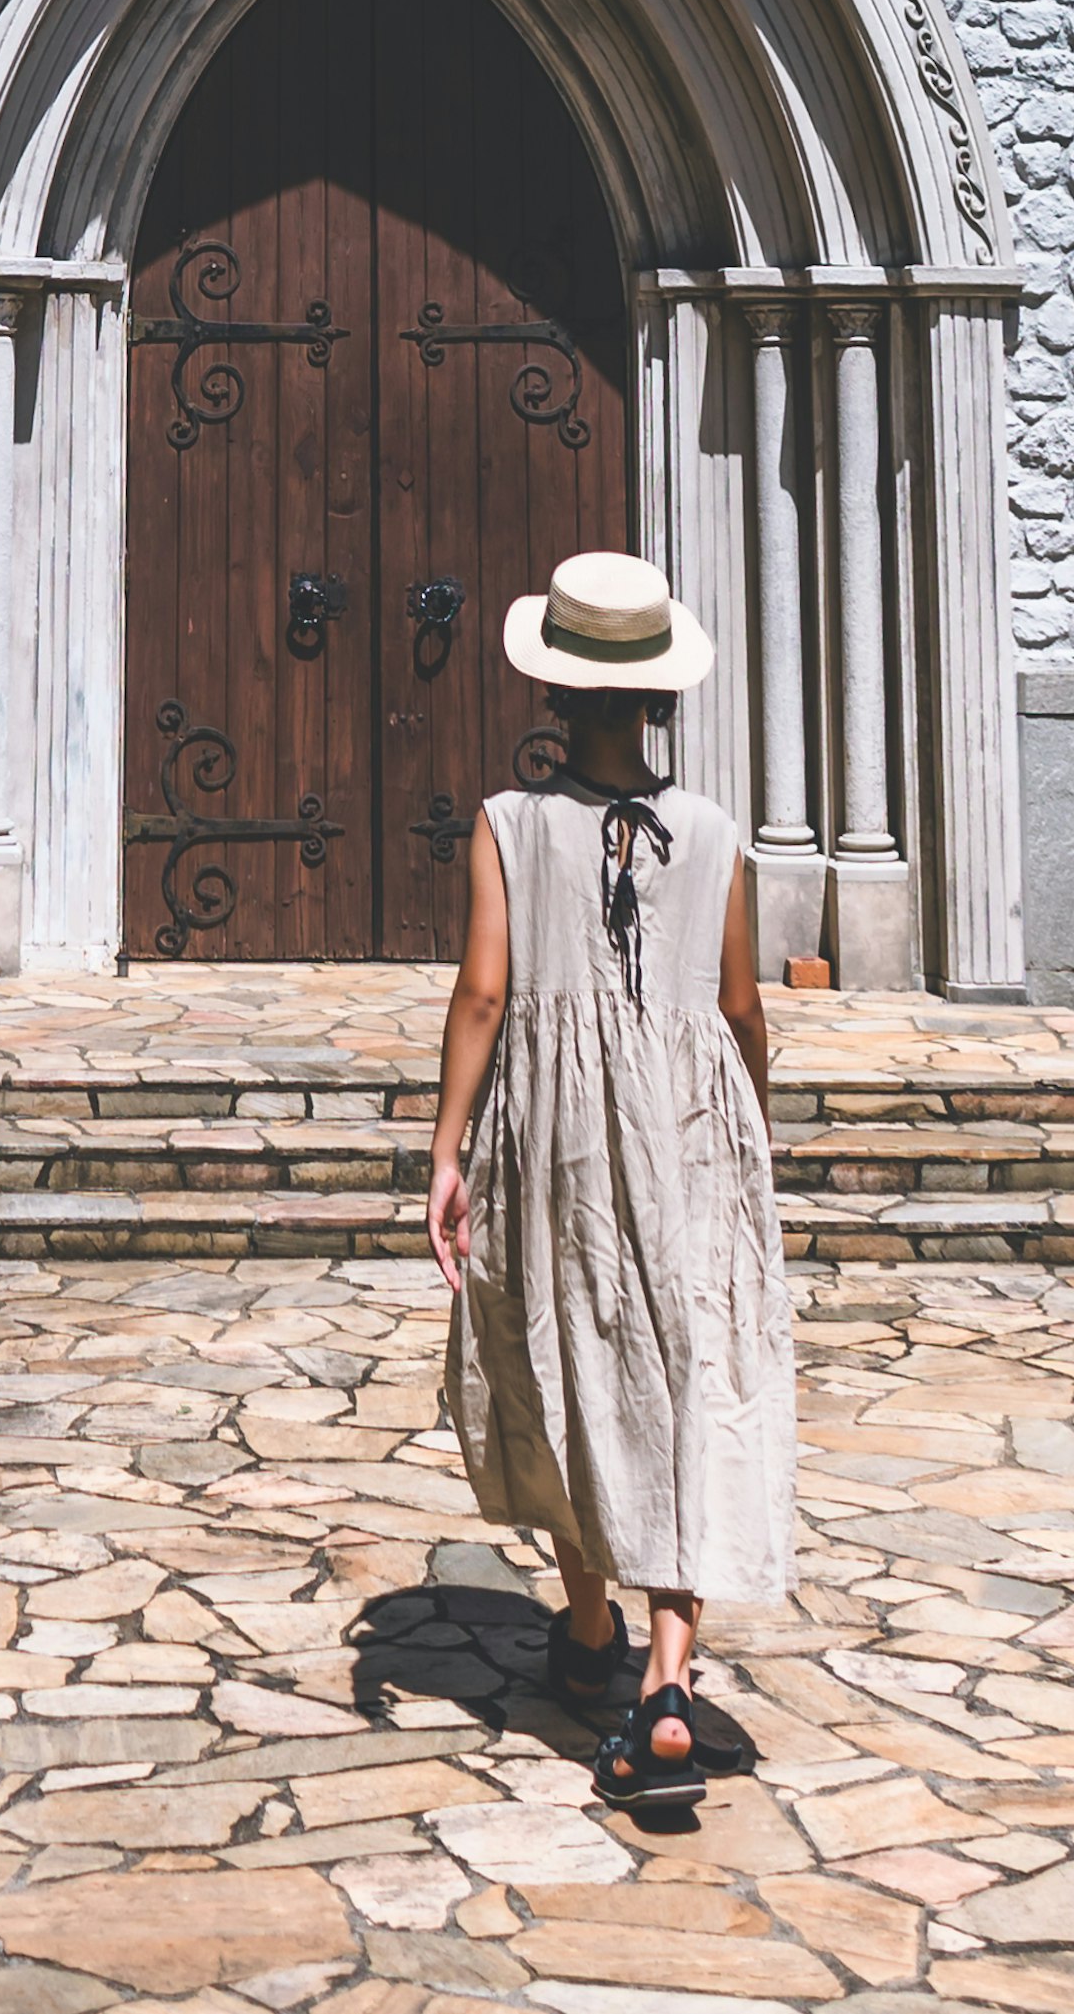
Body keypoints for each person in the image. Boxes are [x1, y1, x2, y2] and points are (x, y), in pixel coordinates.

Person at [425, 548, 795, 1816]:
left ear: (556, 694)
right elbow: (740, 1005)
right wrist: (755, 1129)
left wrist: (445, 1150)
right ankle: (663, 1675)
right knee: (679, 1372)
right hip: (691, 1129)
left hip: (558, 1133)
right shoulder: (716, 834)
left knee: (563, 1356)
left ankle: (588, 1620)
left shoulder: (511, 824)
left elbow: (483, 993)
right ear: (653, 698)